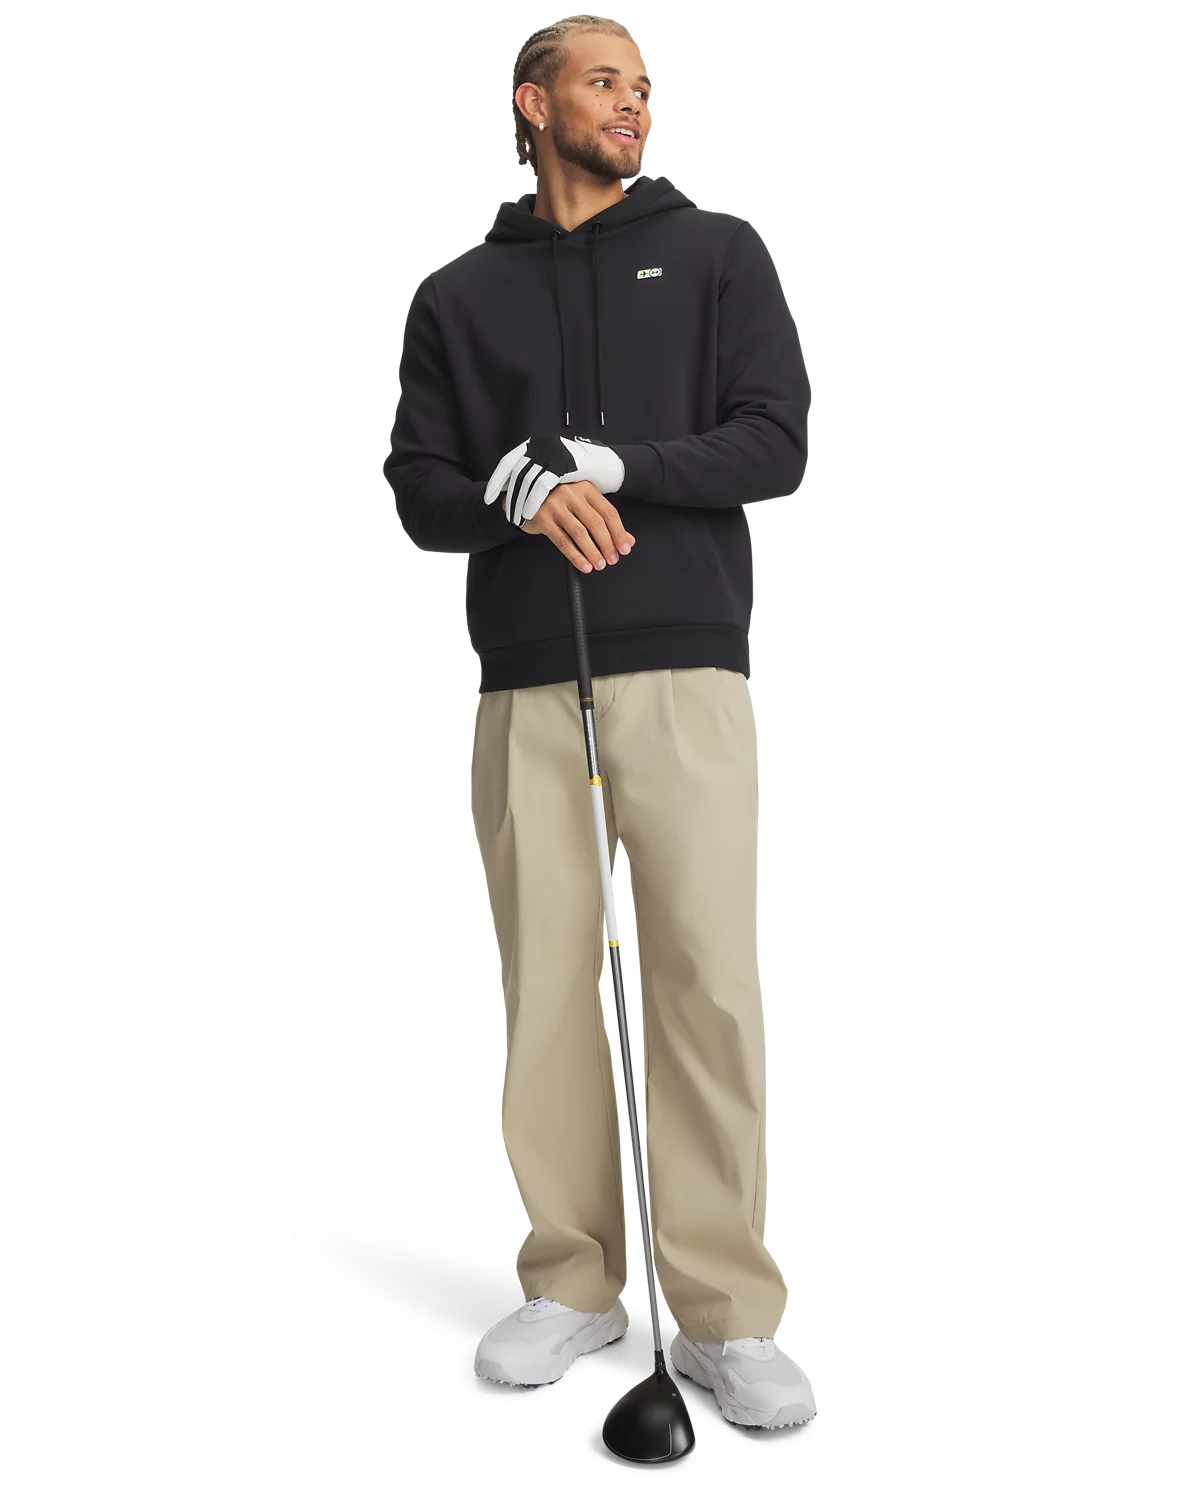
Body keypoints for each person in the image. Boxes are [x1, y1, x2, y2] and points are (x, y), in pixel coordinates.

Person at [382, 15, 817, 1432]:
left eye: (643, 86)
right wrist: (508, 489)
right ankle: (573, 1284)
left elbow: (776, 439)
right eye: (603, 80)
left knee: (707, 982)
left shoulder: (718, 253)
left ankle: (727, 1317)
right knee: (549, 988)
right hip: (522, 680)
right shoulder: (456, 295)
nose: (633, 104)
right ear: (533, 102)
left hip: (687, 670)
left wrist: (615, 463)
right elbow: (417, 485)